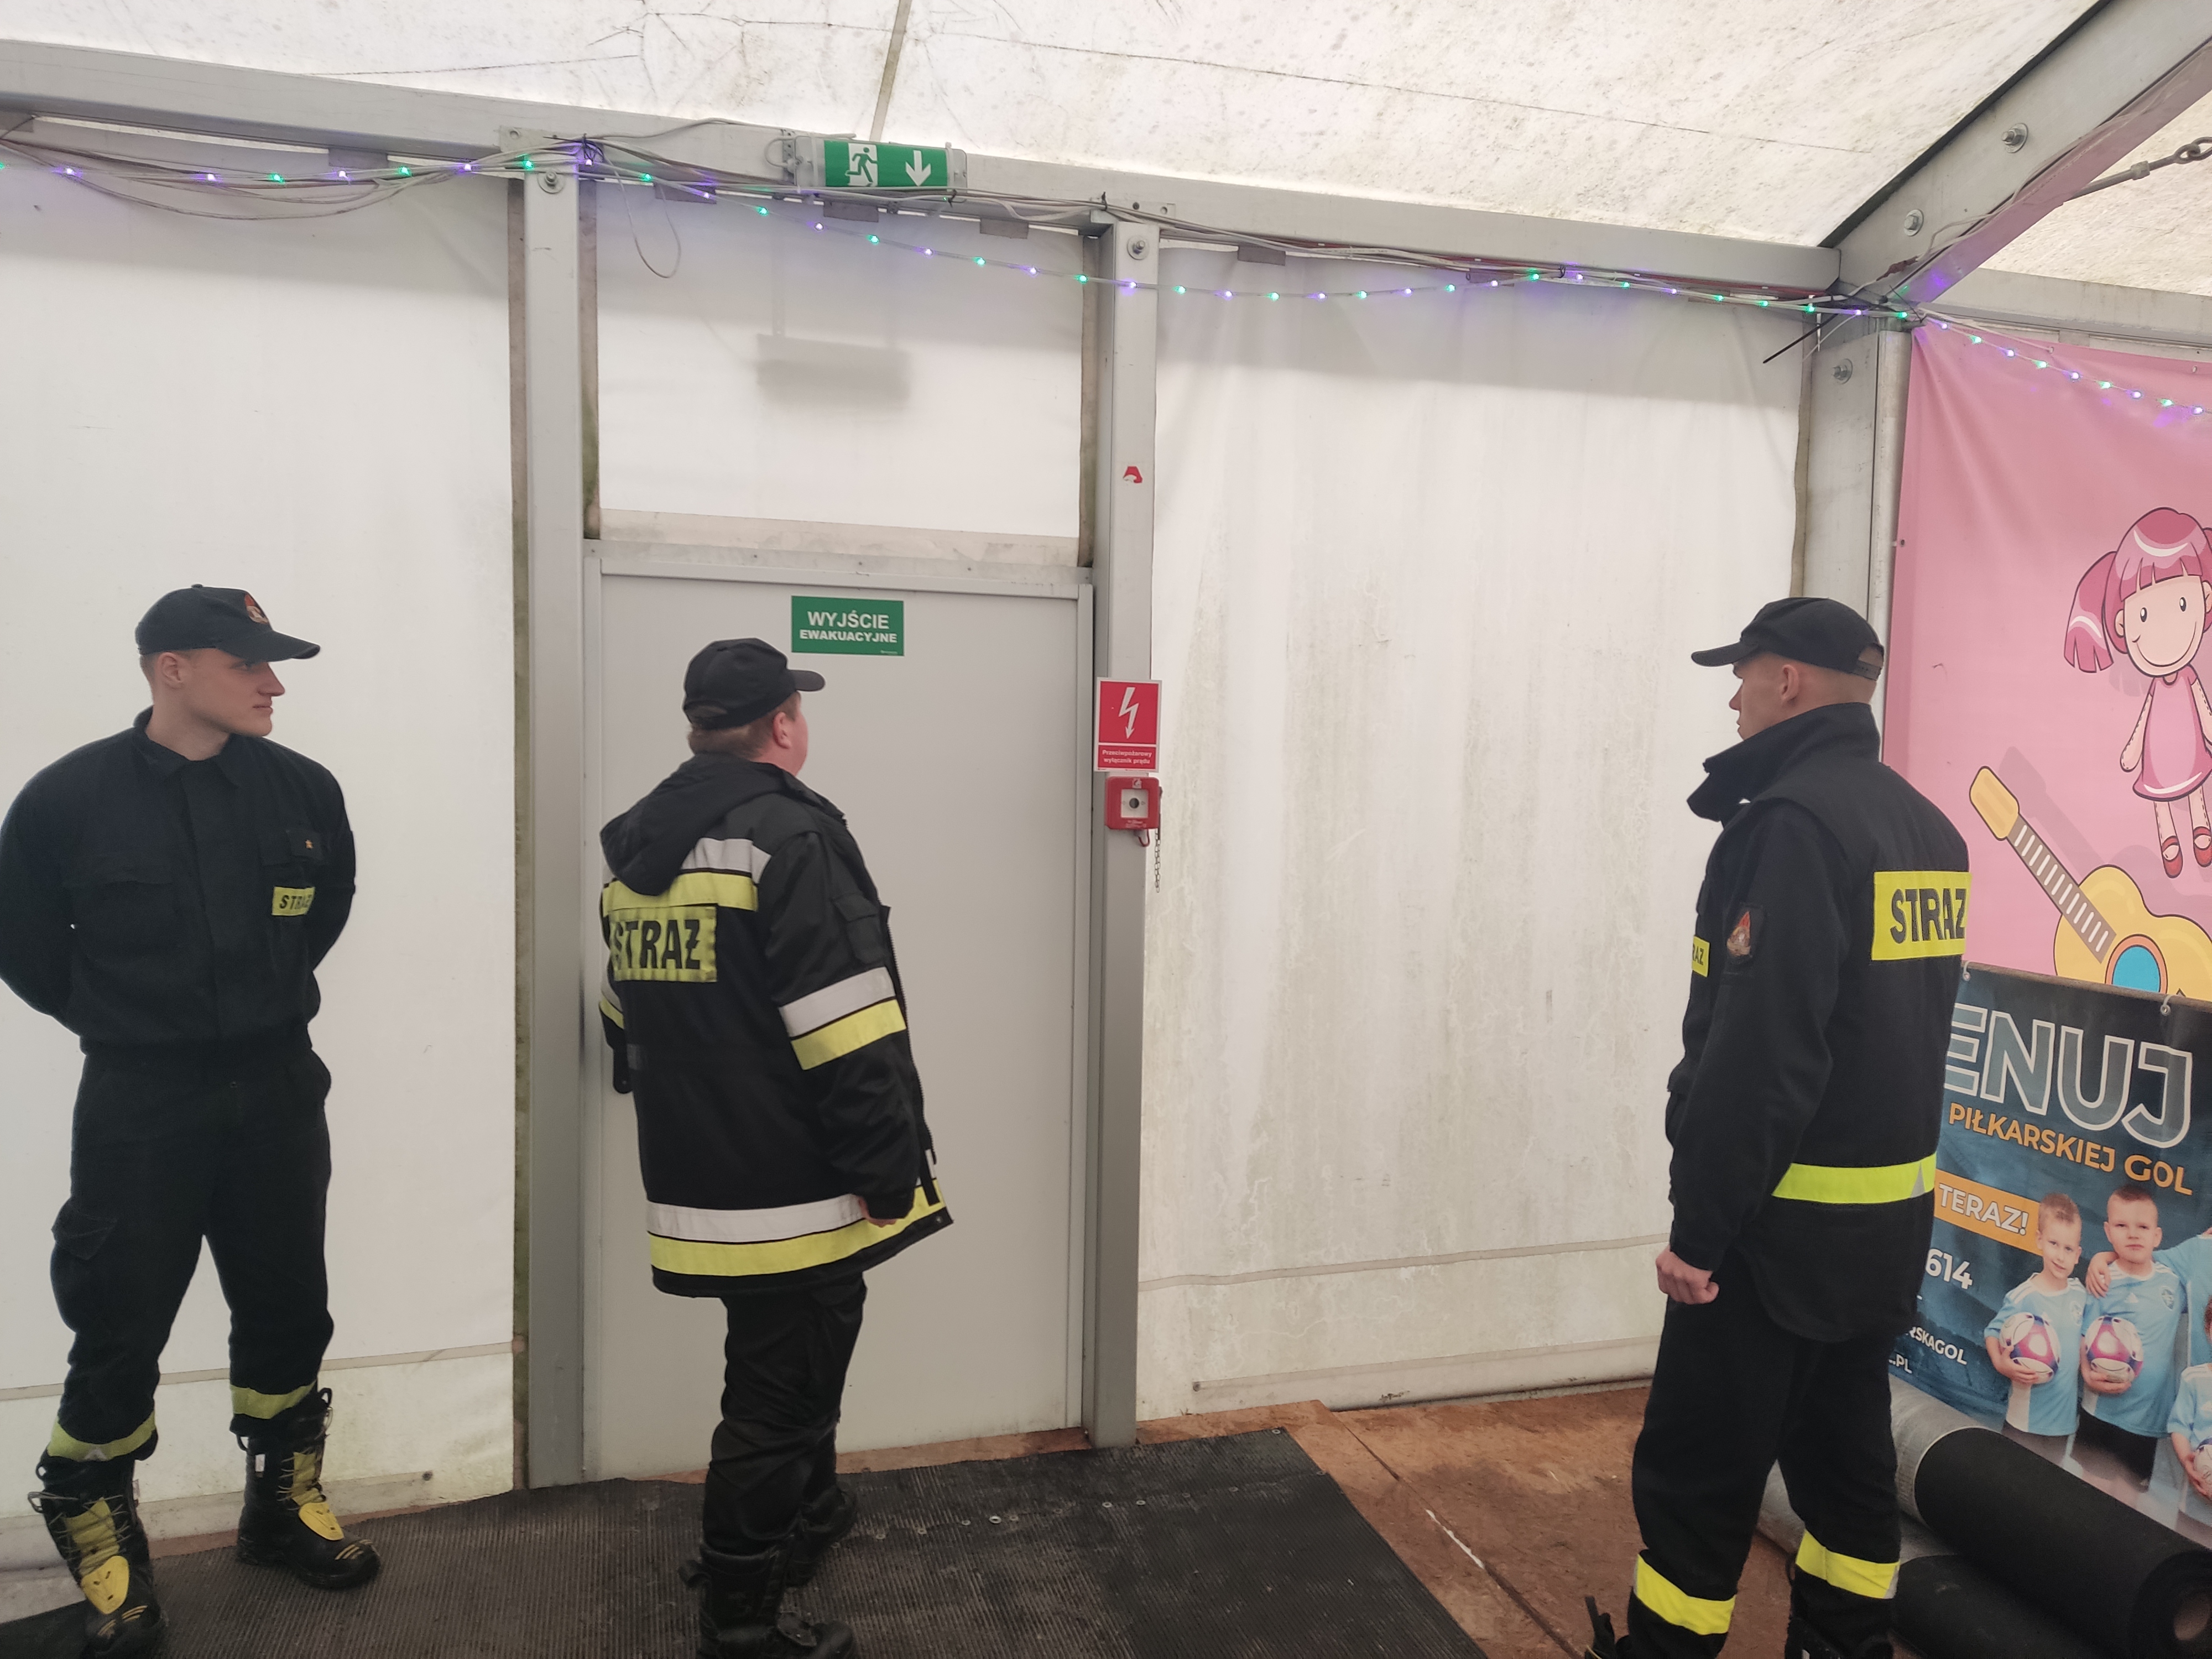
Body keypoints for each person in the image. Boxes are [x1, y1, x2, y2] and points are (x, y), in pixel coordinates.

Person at [1584, 597, 1969, 1659]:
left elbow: (1761, 1063)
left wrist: (1700, 1237)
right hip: (1880, 1243)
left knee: (1696, 1483)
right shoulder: (1927, 830)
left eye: (1743, 675)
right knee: (1848, 1477)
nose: (1735, 699)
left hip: (1769, 1248)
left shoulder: (1793, 827)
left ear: (1787, 680)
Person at [0, 587, 378, 1659]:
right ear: (172, 669)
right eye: (248, 663)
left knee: (288, 1301)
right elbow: (25, 945)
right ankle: (96, 1520)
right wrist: (131, 1018)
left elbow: (326, 908)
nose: (274, 684)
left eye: (273, 663)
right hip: (142, 1099)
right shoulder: (68, 802)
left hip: (275, 1086)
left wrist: (253, 1004)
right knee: (119, 1315)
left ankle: (282, 1506)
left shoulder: (303, 790)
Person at [598, 637, 950, 1659]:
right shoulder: (789, 837)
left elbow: (623, 1010)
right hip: (798, 1183)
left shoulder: (639, 847)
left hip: (698, 1174)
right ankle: (742, 1619)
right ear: (784, 724)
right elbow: (849, 1025)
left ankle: (810, 1512)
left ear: (701, 728)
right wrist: (889, 1167)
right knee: (778, 1397)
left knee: (787, 1361)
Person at [2074, 1184, 2187, 1497]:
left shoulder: (2174, 1282)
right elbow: (2085, 1336)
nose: (2134, 1234)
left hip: (2145, 1422)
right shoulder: (2103, 1280)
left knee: (2127, 1508)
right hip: (2100, 1413)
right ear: (2108, 1231)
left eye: (2143, 1227)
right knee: (2089, 1497)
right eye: (2122, 1226)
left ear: (2157, 1236)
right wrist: (2086, 1372)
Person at [1981, 1192, 2086, 1462]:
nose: (2060, 1256)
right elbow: (1992, 1332)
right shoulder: (2024, 1296)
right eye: (2054, 1244)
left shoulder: (2080, 1294)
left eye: (2068, 1249)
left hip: (2063, 1424)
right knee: (2013, 1480)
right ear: (2040, 1240)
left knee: (2048, 1484)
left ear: (2078, 1255)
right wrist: (2001, 1364)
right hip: (2024, 1422)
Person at [2166, 1300, 2212, 1543]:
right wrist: (2187, 1460)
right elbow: (2179, 1427)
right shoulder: (2193, 1378)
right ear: (2208, 1330)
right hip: (2194, 1509)